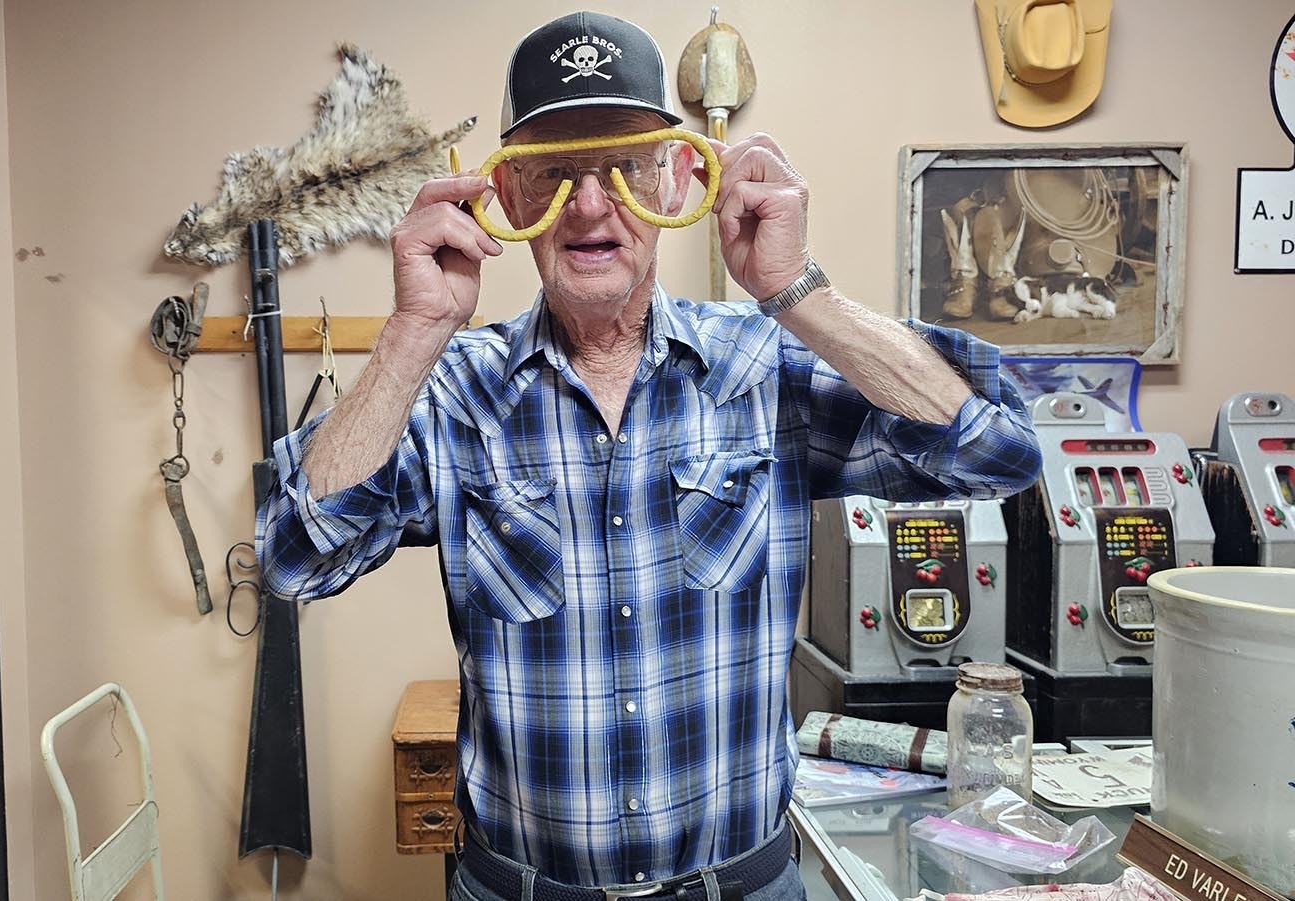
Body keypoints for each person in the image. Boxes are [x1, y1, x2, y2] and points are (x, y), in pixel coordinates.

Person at [256, 11, 1041, 901]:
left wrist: (797, 293)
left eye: (624, 167)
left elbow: (999, 452)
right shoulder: (454, 394)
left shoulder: (762, 370)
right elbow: (292, 557)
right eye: (553, 175)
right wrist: (411, 334)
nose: (591, 206)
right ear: (509, 202)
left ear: (674, 180)